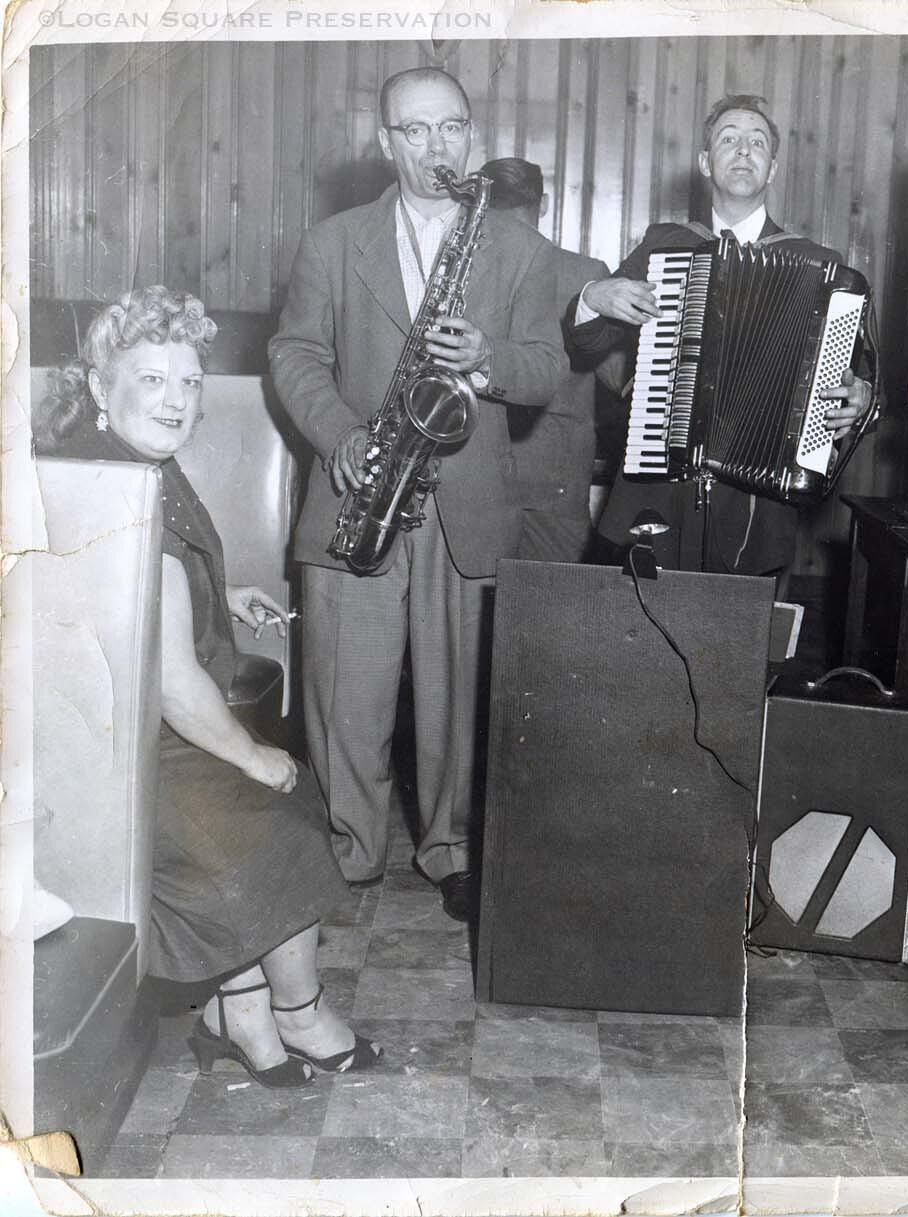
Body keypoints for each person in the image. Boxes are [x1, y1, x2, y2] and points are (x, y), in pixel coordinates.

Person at [34, 286, 379, 1088]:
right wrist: (252, 755)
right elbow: (173, 684)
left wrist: (217, 593)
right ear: (99, 385)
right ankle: (298, 1012)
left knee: (274, 804)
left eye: (189, 382)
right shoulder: (126, 484)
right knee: (284, 817)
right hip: (115, 758)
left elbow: (129, 593)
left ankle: (242, 1011)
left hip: (113, 731)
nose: (176, 400)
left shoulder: (119, 460)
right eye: (152, 379)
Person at [270, 68, 562, 921]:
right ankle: (350, 850)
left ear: (472, 135)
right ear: (386, 143)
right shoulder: (331, 242)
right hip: (361, 485)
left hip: (465, 507)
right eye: (417, 130)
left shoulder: (520, 248)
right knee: (344, 695)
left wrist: (488, 358)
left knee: (459, 702)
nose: (438, 146)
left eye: (452, 128)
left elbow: (546, 368)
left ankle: (453, 850)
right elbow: (294, 355)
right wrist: (342, 437)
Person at [565, 93, 876, 577]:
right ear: (705, 163)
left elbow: (859, 383)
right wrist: (592, 296)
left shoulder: (820, 266)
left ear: (772, 170)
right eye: (729, 140)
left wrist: (861, 398)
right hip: (657, 488)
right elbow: (588, 344)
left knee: (737, 624)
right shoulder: (663, 247)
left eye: (758, 142)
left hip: (757, 507)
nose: (744, 150)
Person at [480, 156, 616, 563]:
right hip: (557, 482)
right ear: (544, 204)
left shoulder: (463, 271)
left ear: (481, 205)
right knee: (552, 599)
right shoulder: (585, 274)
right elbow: (620, 378)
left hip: (477, 476)